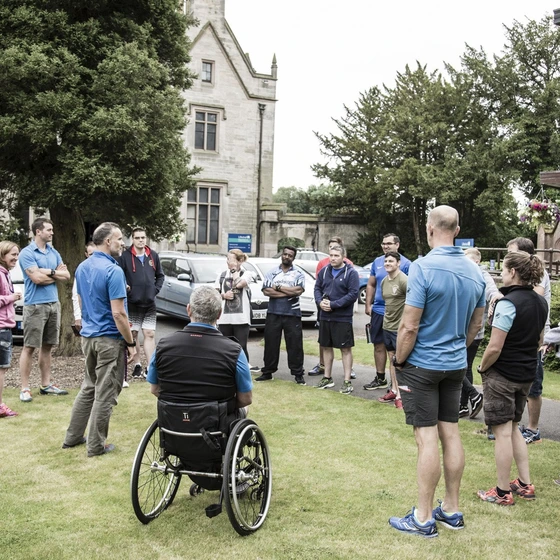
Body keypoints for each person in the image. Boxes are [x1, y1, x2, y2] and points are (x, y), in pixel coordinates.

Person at [388, 205, 485, 538]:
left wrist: (399, 360)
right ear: (456, 230)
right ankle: (452, 509)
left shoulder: (423, 268)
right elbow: (477, 323)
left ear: (431, 229)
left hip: (423, 364)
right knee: (451, 433)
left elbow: (409, 325)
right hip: (456, 364)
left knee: (426, 438)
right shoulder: (476, 271)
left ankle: (423, 517)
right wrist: (459, 345)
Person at [476, 251, 547, 505]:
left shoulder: (507, 303)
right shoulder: (541, 302)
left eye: (504, 270)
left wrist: (482, 367)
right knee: (514, 426)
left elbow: (494, 347)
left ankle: (502, 491)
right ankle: (525, 484)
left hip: (503, 374)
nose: (502, 274)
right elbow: (540, 341)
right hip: (526, 373)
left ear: (513, 273)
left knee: (502, 431)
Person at [62, 222, 137, 457]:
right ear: (107, 242)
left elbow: (85, 301)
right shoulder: (114, 271)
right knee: (105, 393)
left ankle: (73, 437)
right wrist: (131, 343)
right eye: (119, 239)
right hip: (108, 339)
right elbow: (118, 313)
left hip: (89, 337)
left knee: (88, 387)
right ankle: (95, 445)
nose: (123, 243)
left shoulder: (83, 267)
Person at [147, 285, 252, 412]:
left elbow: (154, 389)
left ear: (189, 310)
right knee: (244, 409)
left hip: (174, 420)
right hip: (217, 422)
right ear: (219, 313)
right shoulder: (234, 351)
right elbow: (246, 398)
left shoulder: (162, 346)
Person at [502, 237, 551, 445]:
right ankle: (516, 426)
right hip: (523, 333)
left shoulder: (539, 274)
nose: (508, 257)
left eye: (511, 252)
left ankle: (533, 429)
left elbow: (533, 297)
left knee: (534, 385)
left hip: (535, 336)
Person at [18, 217, 71, 402]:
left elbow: (66, 275)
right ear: (38, 231)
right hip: (35, 305)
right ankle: (24, 388)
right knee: (30, 347)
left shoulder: (53, 252)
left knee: (48, 346)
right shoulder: (26, 253)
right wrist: (54, 274)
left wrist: (47, 272)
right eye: (49, 229)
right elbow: (36, 280)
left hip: (53, 304)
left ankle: (46, 385)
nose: (52, 232)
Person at [364, 233, 411, 391]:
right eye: (383, 244)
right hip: (378, 310)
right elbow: (371, 284)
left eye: (389, 243)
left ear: (397, 244)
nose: (385, 246)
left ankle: (398, 384)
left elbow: (411, 292)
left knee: (398, 349)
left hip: (397, 314)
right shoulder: (378, 262)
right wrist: (368, 304)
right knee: (378, 345)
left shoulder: (406, 263)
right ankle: (380, 377)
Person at [118, 227, 164, 379]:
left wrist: (154, 291)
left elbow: (160, 276)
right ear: (132, 239)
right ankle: (137, 364)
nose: (140, 240)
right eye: (137, 238)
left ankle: (150, 367)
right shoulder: (125, 257)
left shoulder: (153, 256)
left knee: (149, 333)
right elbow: (120, 276)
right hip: (132, 303)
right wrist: (127, 291)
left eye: (143, 237)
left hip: (150, 302)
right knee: (133, 333)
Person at [255, 246, 305, 384]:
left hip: (292, 314)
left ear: (293, 258)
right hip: (273, 313)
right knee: (271, 343)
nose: (287, 257)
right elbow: (266, 291)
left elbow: (298, 290)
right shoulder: (271, 273)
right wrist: (287, 292)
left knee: (295, 345)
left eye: (290, 255)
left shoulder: (298, 273)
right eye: (285, 254)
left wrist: (278, 288)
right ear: (281, 255)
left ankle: (298, 374)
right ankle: (268, 372)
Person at [313, 245, 359, 394]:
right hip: (325, 316)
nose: (333, 258)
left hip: (342, 317)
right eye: (331, 255)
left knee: (345, 349)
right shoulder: (324, 270)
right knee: (326, 346)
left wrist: (333, 304)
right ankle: (327, 378)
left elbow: (353, 294)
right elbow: (317, 288)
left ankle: (347, 381)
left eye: (336, 256)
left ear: (343, 257)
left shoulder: (351, 273)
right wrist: (320, 302)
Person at [459, 248, 499, 419]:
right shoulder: (467, 274)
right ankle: (463, 405)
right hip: (470, 331)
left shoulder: (481, 273)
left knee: (456, 365)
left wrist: (496, 296)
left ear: (475, 261)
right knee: (464, 365)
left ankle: (473, 396)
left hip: (472, 332)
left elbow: (492, 289)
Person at [214, 249, 256, 366]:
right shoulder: (222, 275)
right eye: (227, 259)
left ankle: (243, 369)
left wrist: (234, 270)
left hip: (241, 318)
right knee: (225, 346)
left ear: (240, 260)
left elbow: (239, 284)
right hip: (224, 318)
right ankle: (226, 369)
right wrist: (224, 295)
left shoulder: (247, 274)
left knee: (241, 347)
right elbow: (215, 295)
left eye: (231, 259)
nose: (228, 262)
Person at [376, 251, 407, 409]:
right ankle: (394, 390)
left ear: (398, 263)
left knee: (401, 362)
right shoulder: (383, 282)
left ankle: (402, 396)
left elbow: (413, 303)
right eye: (386, 261)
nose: (388, 263)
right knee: (391, 359)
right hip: (387, 326)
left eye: (391, 261)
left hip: (400, 328)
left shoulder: (404, 280)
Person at [0, 242, 23, 418]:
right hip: (1, 328)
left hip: (5, 326)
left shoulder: (5, 274)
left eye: (17, 254)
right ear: (2, 255)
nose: (16, 258)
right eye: (12, 255)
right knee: (1, 368)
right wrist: (11, 298)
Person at [72, 242, 95, 330]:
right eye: (91, 254)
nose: (94, 257)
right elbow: (76, 294)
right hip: (87, 315)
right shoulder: (82, 270)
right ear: (86, 254)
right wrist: (78, 316)